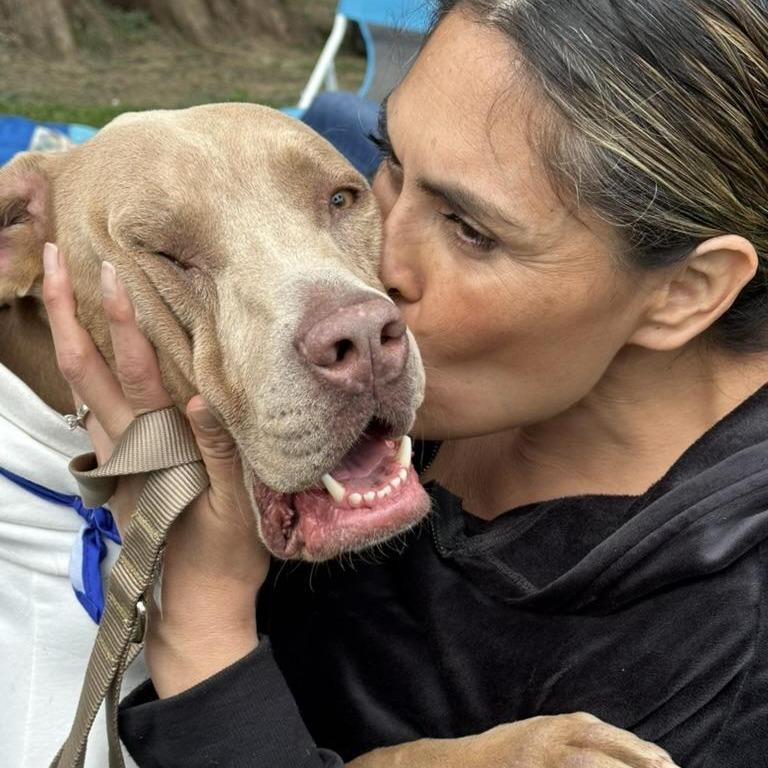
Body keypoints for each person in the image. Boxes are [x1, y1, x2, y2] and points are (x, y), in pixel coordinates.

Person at [43, 0, 768, 766]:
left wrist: (201, 622)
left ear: (685, 292)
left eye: (469, 230)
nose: (375, 268)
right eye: (387, 161)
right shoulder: (436, 372)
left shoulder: (727, 660)